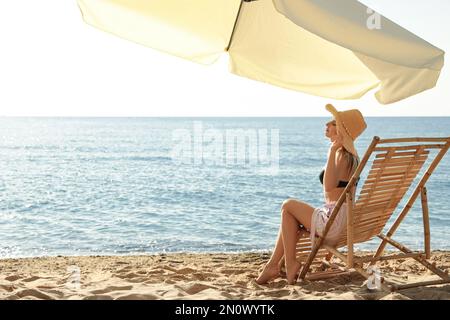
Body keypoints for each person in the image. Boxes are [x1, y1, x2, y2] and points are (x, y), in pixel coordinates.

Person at [256, 104, 367, 285]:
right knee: (288, 215)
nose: (326, 125)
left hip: (332, 222)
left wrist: (332, 150)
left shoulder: (340, 154)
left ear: (340, 129)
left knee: (287, 204)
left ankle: (288, 263)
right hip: (343, 220)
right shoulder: (352, 155)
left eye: (332, 123)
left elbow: (329, 187)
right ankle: (274, 266)